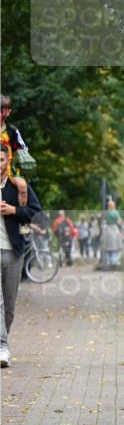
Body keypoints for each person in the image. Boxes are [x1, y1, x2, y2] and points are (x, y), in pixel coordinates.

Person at [0, 146, 42, 367]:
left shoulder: (19, 187)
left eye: (0, 159)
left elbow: (36, 211)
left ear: (8, 161)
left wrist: (13, 211)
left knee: (9, 305)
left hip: (13, 252)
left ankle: (2, 341)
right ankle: (2, 347)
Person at [102, 199, 124, 267]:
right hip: (114, 229)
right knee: (116, 245)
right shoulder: (115, 212)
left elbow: (103, 220)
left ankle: (109, 261)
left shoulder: (105, 213)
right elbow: (119, 222)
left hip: (107, 229)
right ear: (114, 206)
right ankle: (114, 260)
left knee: (108, 246)